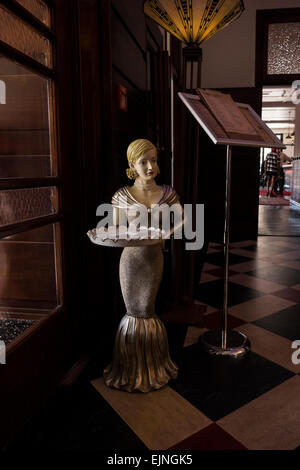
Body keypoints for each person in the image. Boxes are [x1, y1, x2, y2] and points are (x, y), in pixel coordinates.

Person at [103, 139, 182, 392]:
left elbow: (183, 220)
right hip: (130, 260)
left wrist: (165, 234)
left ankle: (153, 368)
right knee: (132, 309)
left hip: (154, 258)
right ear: (132, 165)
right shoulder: (122, 195)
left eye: (154, 160)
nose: (150, 166)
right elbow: (114, 229)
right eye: (143, 161)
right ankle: (128, 369)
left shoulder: (167, 193)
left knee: (146, 309)